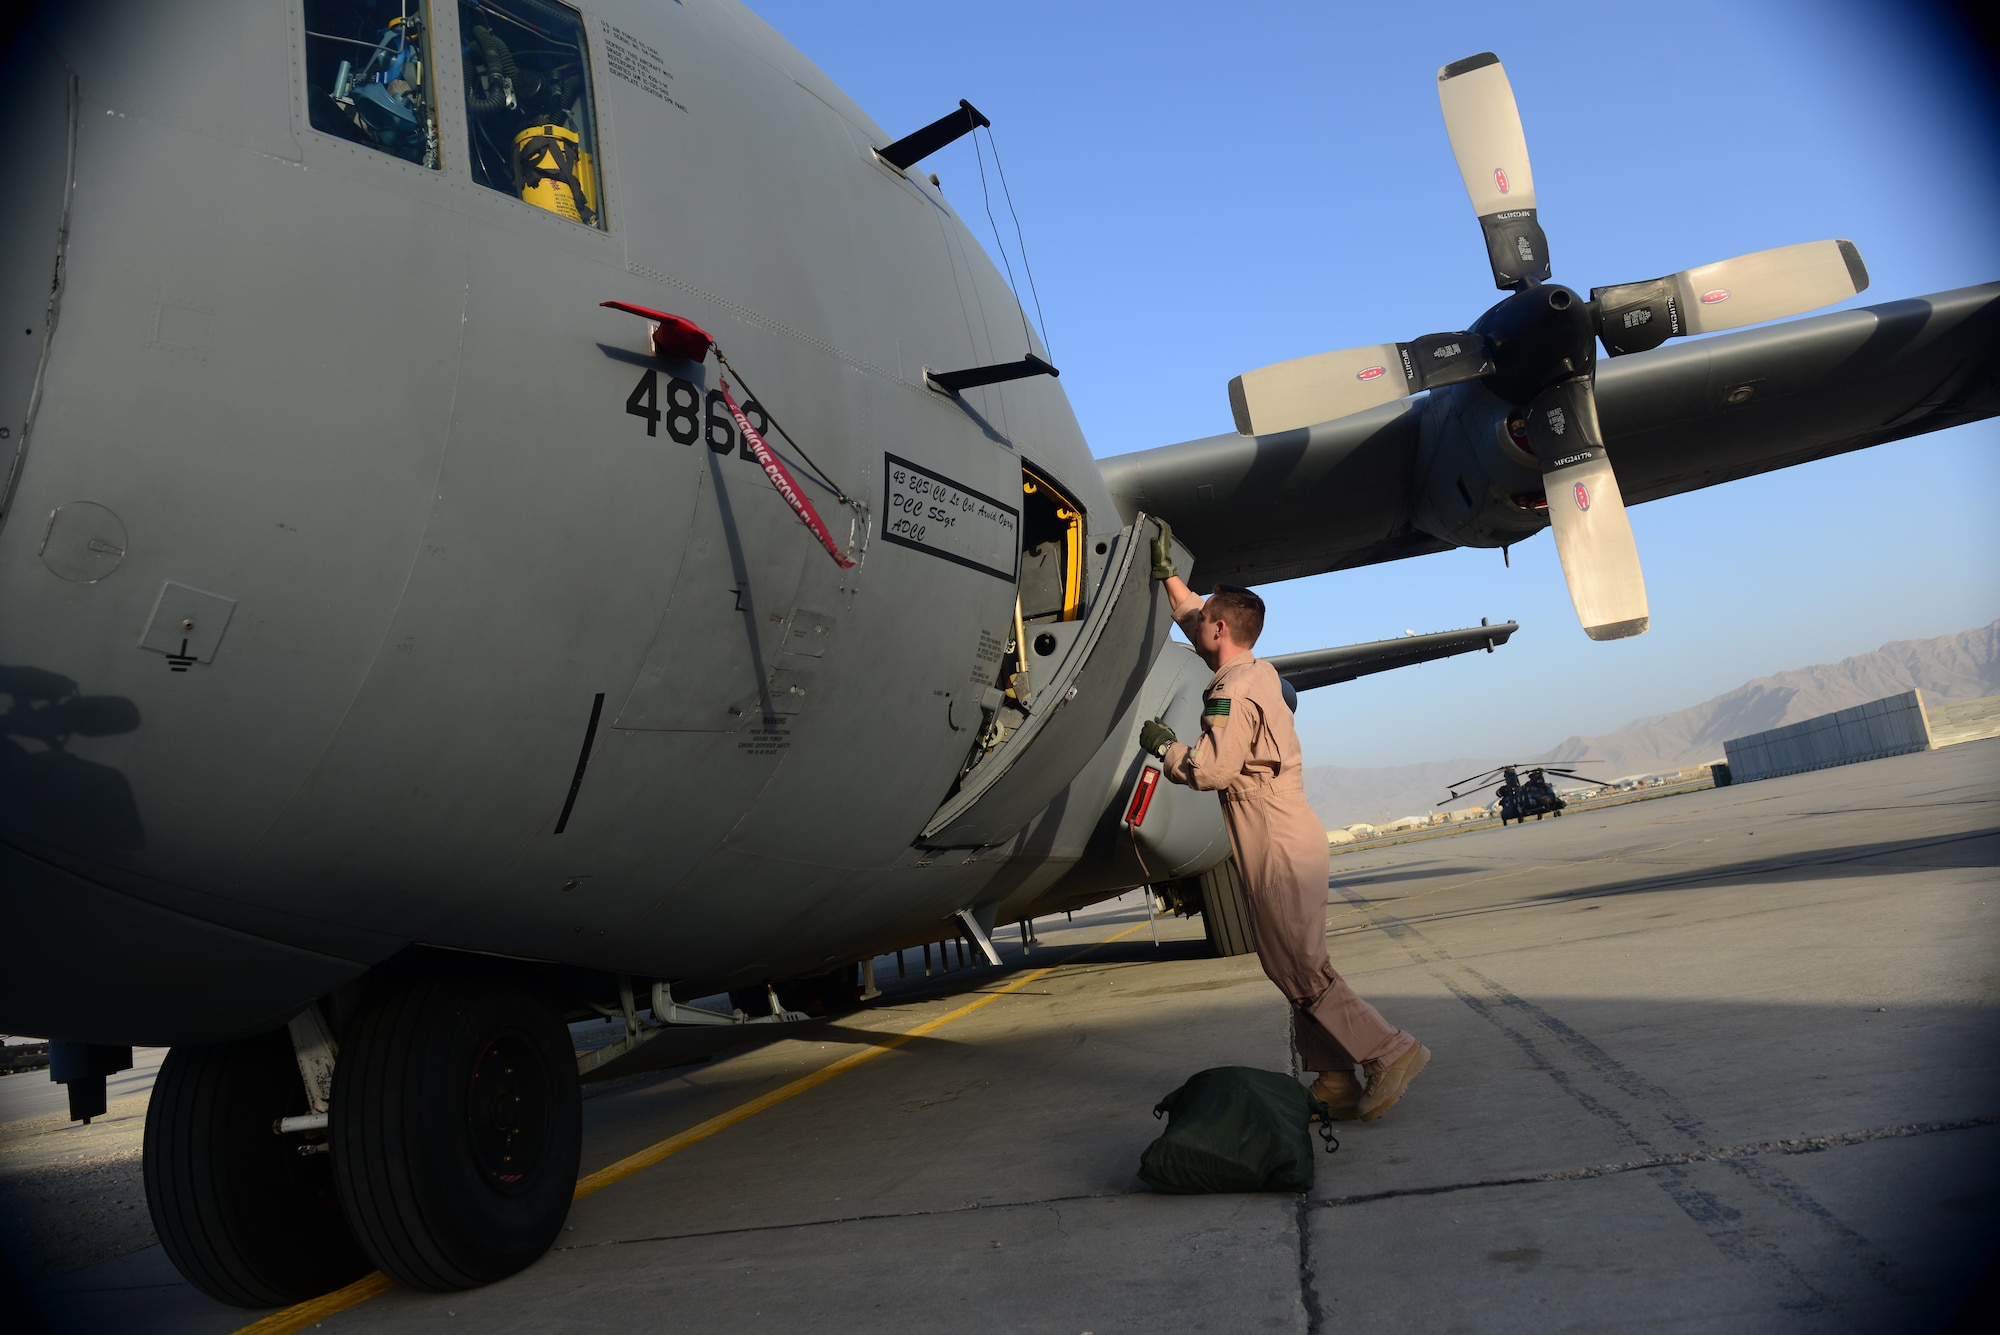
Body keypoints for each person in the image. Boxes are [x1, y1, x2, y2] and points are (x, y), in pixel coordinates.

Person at [1139, 521, 1429, 1121]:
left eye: (1204, 621)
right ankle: (1334, 1080)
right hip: (1280, 826)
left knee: (1297, 965)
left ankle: (1388, 1051)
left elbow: (1215, 771)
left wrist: (1168, 749)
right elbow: (1197, 613)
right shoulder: (1256, 670)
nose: (1195, 625)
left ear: (1220, 630)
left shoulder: (1232, 693)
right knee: (1290, 961)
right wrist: (1167, 574)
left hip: (1270, 834)